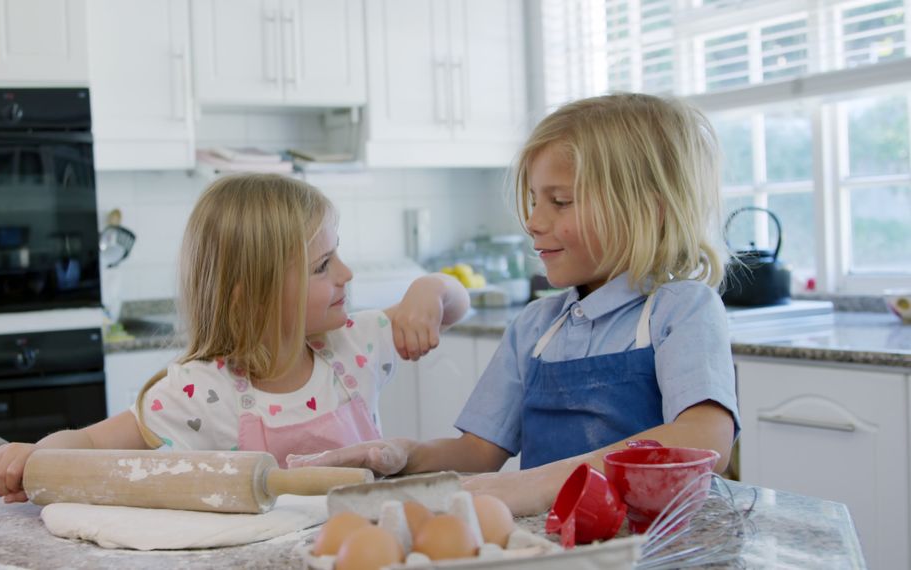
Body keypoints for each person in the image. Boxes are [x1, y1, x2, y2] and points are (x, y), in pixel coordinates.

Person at [289, 93, 740, 516]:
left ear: (649, 209)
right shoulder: (537, 326)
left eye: (560, 202)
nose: (533, 222)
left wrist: (546, 483)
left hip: (658, 545)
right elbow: (477, 453)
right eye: (533, 201)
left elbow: (704, 437)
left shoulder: (680, 309)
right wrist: (405, 455)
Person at [0, 173, 470, 502]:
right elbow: (87, 441)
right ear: (250, 295)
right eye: (322, 265)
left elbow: (454, 305)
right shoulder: (201, 392)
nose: (346, 273)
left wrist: (430, 289)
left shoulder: (353, 345)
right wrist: (36, 453)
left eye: (336, 254)